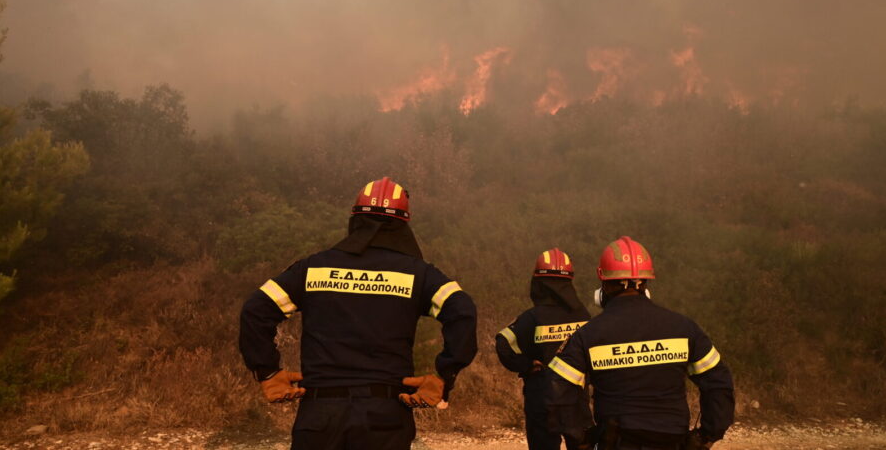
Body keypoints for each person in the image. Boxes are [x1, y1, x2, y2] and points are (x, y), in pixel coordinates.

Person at [239, 177, 478, 450]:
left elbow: (256, 310)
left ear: (355, 220)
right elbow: (463, 311)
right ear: (403, 226)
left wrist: (267, 371)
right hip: (385, 416)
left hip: (320, 416)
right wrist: (444, 377)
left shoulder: (313, 268)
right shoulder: (418, 275)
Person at [546, 237, 734, 449]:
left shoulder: (588, 335)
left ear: (604, 285)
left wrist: (580, 438)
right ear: (646, 283)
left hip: (616, 442)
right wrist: (705, 436)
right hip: (673, 441)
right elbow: (719, 383)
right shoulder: (685, 328)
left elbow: (556, 389)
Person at [495, 248, 592, 450]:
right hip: (576, 397)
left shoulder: (532, 317)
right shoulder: (583, 315)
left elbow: (503, 343)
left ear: (538, 283)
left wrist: (525, 364)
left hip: (541, 398)